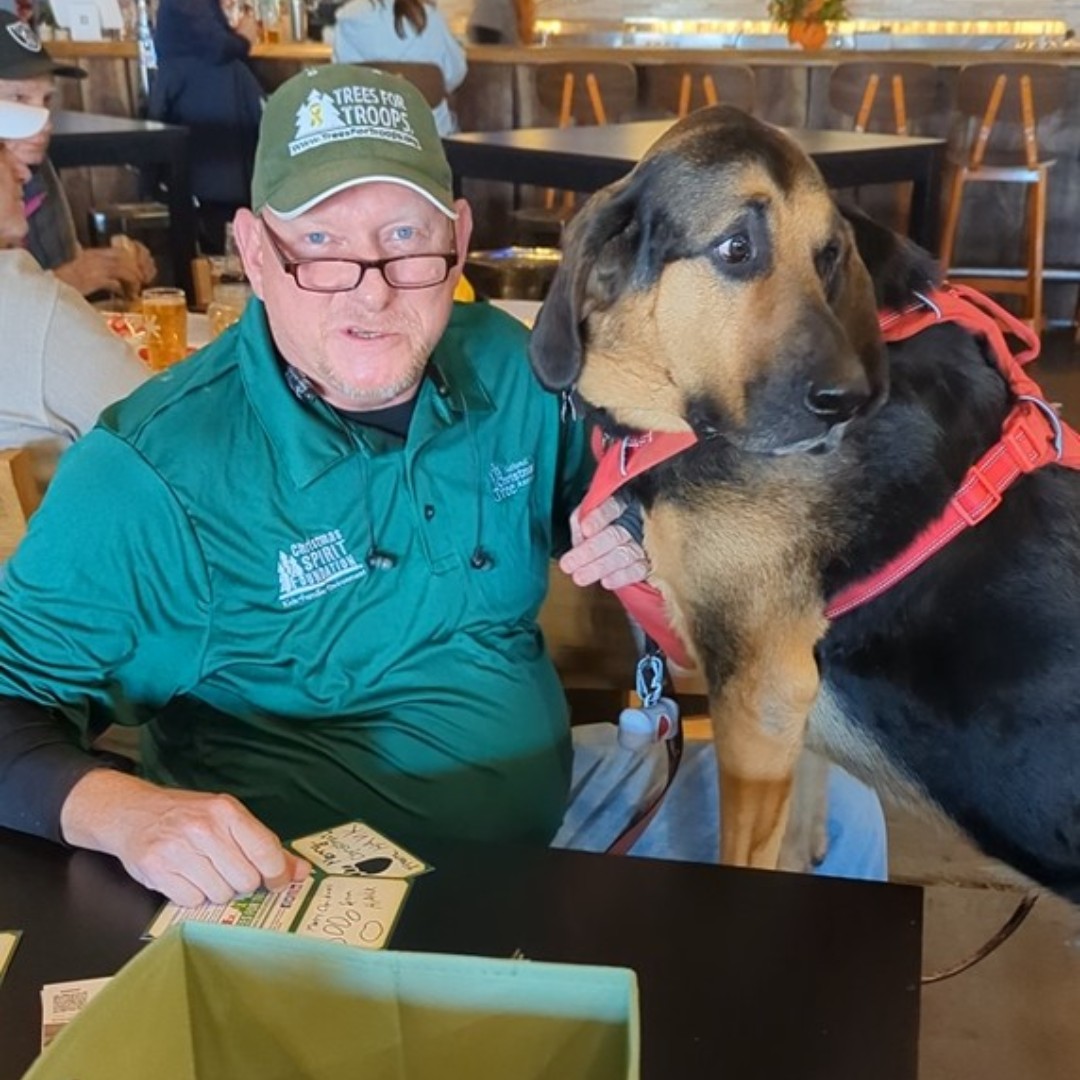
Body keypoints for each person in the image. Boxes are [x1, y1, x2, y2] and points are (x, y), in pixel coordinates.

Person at [0, 65, 886, 907]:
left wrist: (639, 527)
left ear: (457, 243)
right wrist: (124, 815)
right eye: (318, 245)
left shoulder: (502, 365)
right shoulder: (153, 473)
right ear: (253, 254)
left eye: (404, 241)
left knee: (835, 816)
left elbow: (636, 486)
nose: (370, 291)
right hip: (316, 893)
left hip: (559, 821)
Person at [0, 100, 149, 494]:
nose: (21, 171)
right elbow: (163, 434)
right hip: (63, 551)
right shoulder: (25, 303)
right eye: (3, 152)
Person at [0, 12, 156, 297]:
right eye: (19, 99)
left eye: (46, 99)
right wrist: (68, 281)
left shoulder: (37, 172)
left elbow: (64, 264)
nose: (45, 121)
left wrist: (112, 266)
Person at [149, 0, 265, 254]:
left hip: (208, 108)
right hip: (205, 113)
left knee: (223, 207)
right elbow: (217, 47)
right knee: (216, 207)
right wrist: (244, 37)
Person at [331, 0, 466, 136]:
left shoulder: (348, 16)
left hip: (369, 139)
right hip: (431, 140)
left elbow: (342, 81)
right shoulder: (430, 16)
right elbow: (455, 73)